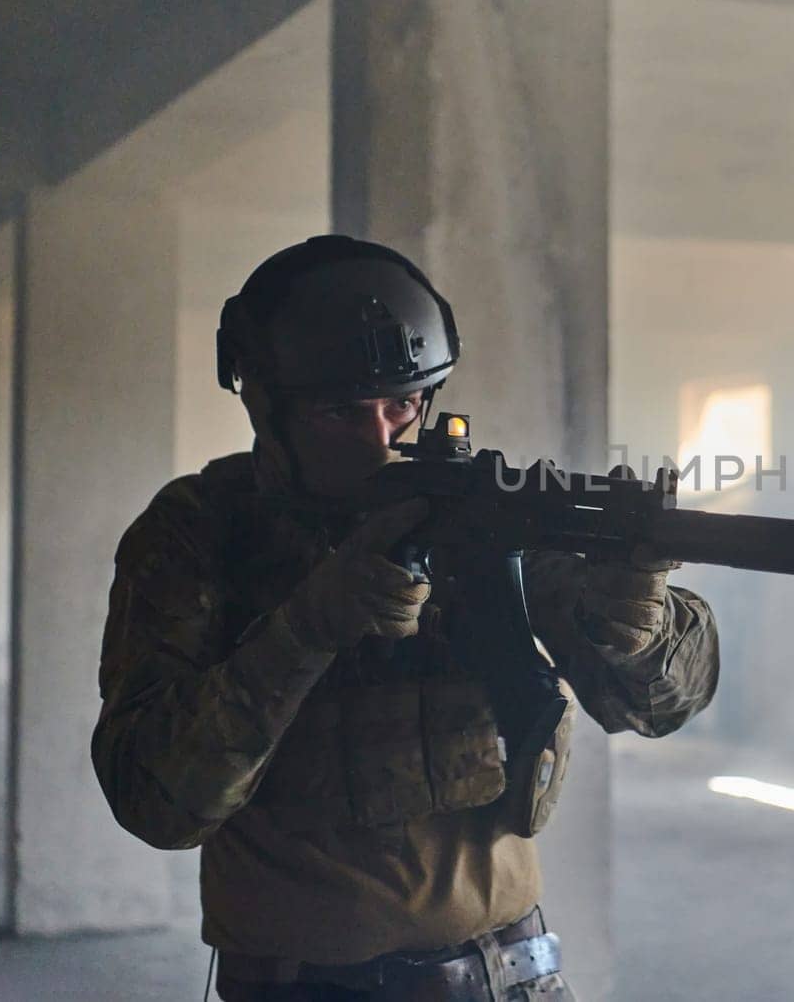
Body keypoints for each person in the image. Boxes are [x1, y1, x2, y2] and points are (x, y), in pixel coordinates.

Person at [91, 235, 720, 1001]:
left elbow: (656, 705)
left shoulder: (472, 512)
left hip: (509, 975)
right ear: (264, 402)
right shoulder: (200, 530)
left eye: (402, 405)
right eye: (340, 413)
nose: (381, 439)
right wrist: (306, 629)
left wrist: (641, 630)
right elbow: (155, 800)